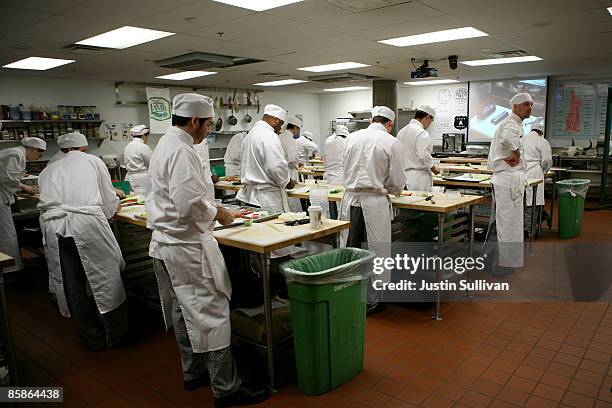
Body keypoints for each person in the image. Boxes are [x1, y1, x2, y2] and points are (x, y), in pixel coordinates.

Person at [146, 93, 268, 406]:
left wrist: (212, 206)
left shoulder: (165, 143)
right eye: (209, 124)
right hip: (185, 247)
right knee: (211, 314)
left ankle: (193, 372)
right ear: (195, 121)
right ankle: (226, 388)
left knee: (184, 312)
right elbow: (188, 205)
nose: (209, 130)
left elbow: (183, 197)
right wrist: (220, 212)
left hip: (165, 244)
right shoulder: (183, 149)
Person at [37, 143, 128, 351]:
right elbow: (108, 202)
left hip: (56, 228)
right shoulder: (93, 161)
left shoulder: (48, 170)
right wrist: (113, 209)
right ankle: (116, 337)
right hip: (86, 224)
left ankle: (91, 339)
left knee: (74, 285)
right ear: (83, 149)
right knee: (107, 278)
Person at [339, 106, 406, 315]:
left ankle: (348, 295)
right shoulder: (391, 142)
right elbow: (397, 181)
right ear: (390, 124)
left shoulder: (351, 138)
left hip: (350, 201)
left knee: (352, 249)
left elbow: (344, 167)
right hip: (375, 202)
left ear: (371, 120)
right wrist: (394, 191)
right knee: (376, 252)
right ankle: (373, 300)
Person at [487, 92, 531, 270]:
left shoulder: (513, 123)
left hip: (508, 180)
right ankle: (505, 263)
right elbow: (508, 139)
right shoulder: (511, 123)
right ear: (515, 107)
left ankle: (507, 261)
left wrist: (516, 154)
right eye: (526, 104)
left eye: (531, 104)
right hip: (508, 180)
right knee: (509, 223)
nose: (529, 108)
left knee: (509, 222)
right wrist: (517, 154)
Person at [0, 137, 46, 273]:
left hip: (2, 196)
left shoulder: (13, 153)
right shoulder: (15, 154)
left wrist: (20, 177)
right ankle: (10, 269)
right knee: (6, 233)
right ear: (33, 149)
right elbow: (7, 178)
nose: (38, 158)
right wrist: (23, 187)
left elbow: (7, 174)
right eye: (39, 154)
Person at [397, 105, 439, 191]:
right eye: (431, 121)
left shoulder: (401, 132)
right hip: (420, 179)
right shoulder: (422, 133)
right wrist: (433, 168)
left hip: (404, 177)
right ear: (427, 117)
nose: (429, 124)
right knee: (422, 202)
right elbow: (423, 155)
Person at [523, 123, 552, 236]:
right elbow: (546, 160)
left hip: (521, 172)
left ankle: (521, 231)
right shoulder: (542, 141)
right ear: (541, 132)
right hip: (535, 172)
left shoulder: (522, 139)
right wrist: (544, 170)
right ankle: (529, 232)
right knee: (533, 204)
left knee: (522, 203)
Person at [279, 116, 302, 212]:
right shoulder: (290, 139)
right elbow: (292, 159)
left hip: (280, 171)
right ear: (295, 127)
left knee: (284, 198)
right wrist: (296, 163)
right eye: (298, 129)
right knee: (292, 199)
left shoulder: (279, 137)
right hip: (289, 172)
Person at [124, 125, 153, 196]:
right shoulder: (144, 147)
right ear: (143, 135)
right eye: (147, 136)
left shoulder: (128, 146)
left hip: (129, 178)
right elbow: (151, 165)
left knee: (133, 199)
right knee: (143, 200)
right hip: (142, 180)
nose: (147, 139)